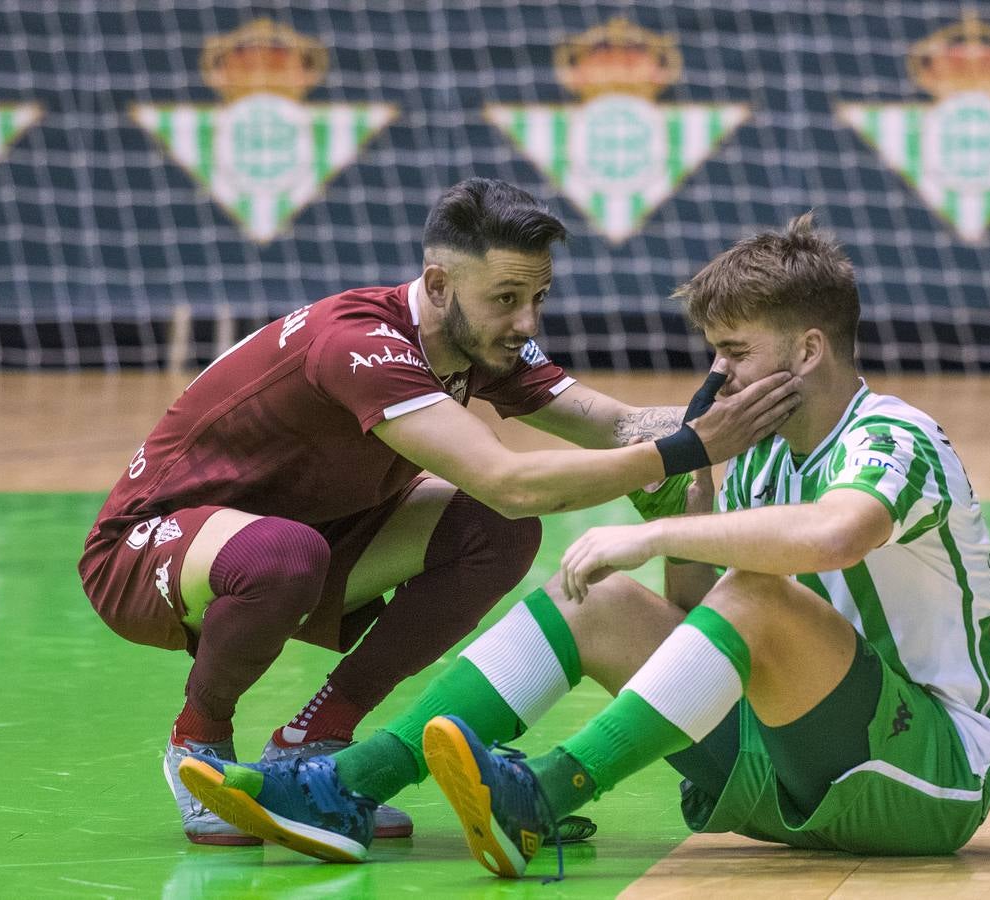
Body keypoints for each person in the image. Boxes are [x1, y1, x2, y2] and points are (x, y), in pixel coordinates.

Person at [176, 212, 990, 877]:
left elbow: (833, 535)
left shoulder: (894, 433)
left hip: (924, 778)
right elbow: (696, 628)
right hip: (781, 769)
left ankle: (542, 794)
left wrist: (659, 531)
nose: (717, 378)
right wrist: (696, 489)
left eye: (735, 353)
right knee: (598, 601)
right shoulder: (751, 451)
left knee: (753, 585)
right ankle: (347, 789)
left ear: (809, 350)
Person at [78, 178, 800, 847]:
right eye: (508, 298)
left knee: (496, 532)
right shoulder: (361, 343)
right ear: (437, 284)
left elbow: (616, 427)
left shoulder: (479, 340)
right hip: (148, 553)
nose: (526, 321)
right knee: (297, 552)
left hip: (313, 543)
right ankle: (197, 741)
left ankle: (316, 743)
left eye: (538, 298)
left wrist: (748, 413)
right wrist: (685, 451)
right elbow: (510, 478)